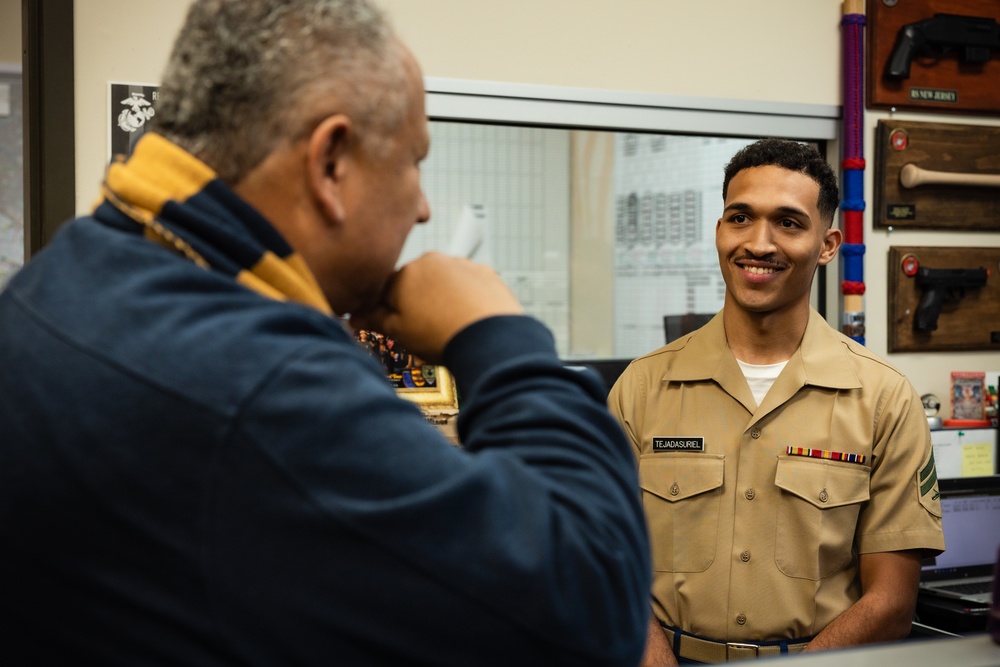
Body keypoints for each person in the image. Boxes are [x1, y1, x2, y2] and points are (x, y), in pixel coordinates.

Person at [0, 1, 651, 665]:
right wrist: (498, 335)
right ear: (331, 163)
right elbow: (591, 604)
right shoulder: (264, 385)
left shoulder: (65, 274)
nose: (424, 208)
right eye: (414, 162)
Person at [608, 138, 945, 665]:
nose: (758, 243)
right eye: (740, 218)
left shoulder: (883, 398)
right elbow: (605, 561)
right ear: (719, 230)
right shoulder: (642, 388)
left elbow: (892, 601)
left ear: (829, 245)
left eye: (788, 223)